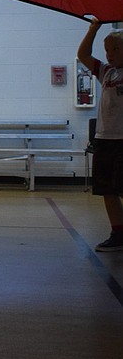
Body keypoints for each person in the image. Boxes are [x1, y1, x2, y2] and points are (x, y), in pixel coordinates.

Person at [77, 18, 123, 251]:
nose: (110, 54)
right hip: (105, 138)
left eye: (115, 49)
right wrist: (93, 29)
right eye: (107, 50)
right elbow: (83, 55)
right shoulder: (106, 72)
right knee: (107, 189)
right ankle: (118, 233)